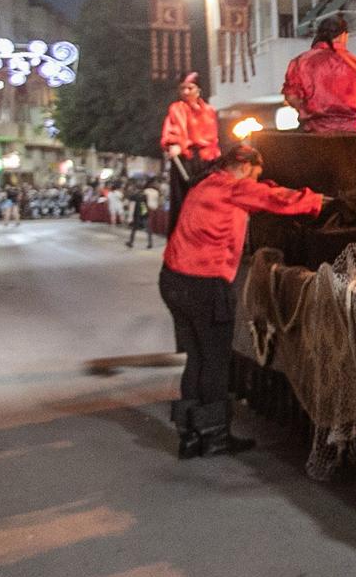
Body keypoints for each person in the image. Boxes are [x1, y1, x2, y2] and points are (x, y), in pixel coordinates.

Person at [159, 144, 323, 458]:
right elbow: (273, 200)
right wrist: (320, 202)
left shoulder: (205, 183)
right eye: (256, 174)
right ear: (246, 166)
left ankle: (189, 435)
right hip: (204, 285)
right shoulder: (230, 188)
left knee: (194, 359)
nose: (255, 180)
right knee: (216, 361)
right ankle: (215, 436)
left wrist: (267, 186)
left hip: (173, 281)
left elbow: (261, 192)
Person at [282, 14, 356, 133]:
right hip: (352, 136)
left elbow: (291, 96)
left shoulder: (300, 62)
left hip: (313, 133)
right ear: (344, 35)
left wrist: (305, 109)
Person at [161, 72, 221, 231]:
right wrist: (175, 145)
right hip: (184, 161)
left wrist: (185, 144)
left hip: (205, 161)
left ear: (198, 89)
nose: (186, 92)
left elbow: (211, 137)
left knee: (206, 202)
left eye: (190, 88)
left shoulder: (209, 111)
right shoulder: (176, 109)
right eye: (182, 88)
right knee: (182, 202)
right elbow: (171, 133)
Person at [125, 177, 154, 249]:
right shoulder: (144, 195)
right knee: (148, 229)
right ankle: (150, 243)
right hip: (144, 212)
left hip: (137, 213)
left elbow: (131, 205)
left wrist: (130, 216)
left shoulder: (134, 196)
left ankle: (131, 242)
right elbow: (145, 204)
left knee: (134, 229)